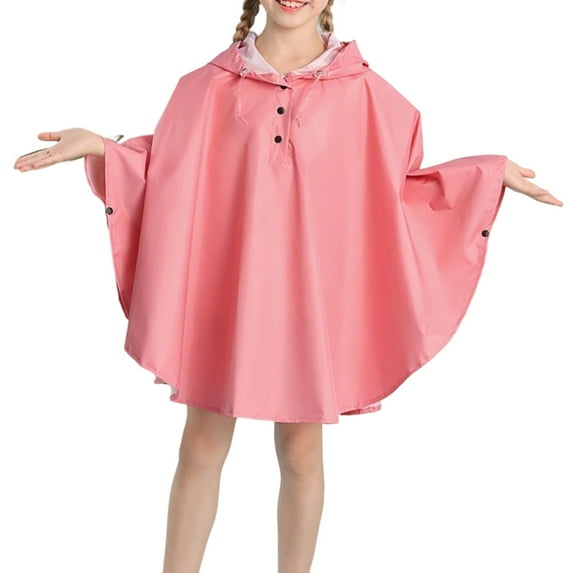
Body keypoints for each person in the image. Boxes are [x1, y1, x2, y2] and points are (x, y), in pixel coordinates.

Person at [12, 1, 564, 572]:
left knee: (301, 449)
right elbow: (169, 173)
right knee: (202, 442)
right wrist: (104, 148)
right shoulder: (206, 87)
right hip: (227, 290)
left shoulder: (369, 96)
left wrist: (483, 175)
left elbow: (400, 193)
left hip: (312, 297)